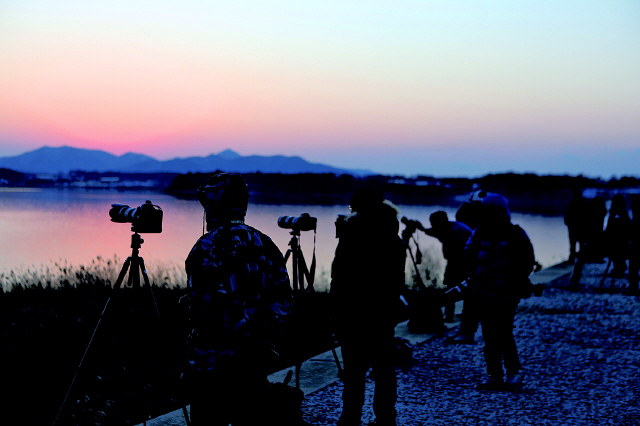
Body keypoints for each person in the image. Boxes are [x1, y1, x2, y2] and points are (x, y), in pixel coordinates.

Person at [182, 172, 294, 426]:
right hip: (254, 358)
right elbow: (282, 300)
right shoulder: (265, 242)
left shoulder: (206, 246)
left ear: (213, 205)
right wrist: (265, 337)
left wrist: (188, 306)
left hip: (212, 362)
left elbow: (202, 305)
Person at [330, 187, 406, 426]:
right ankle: (386, 418)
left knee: (354, 370)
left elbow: (339, 276)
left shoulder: (353, 235)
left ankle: (350, 418)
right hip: (384, 311)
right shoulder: (393, 236)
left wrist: (334, 311)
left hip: (354, 311)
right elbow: (396, 279)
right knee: (384, 368)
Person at [464, 194, 535, 389]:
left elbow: (528, 261)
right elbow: (468, 253)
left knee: (504, 333)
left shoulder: (516, 234)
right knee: (488, 335)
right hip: (483, 292)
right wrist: (474, 276)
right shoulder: (480, 232)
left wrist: (514, 281)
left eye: (489, 209)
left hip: (507, 294)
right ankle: (494, 375)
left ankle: (513, 372)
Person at [419, 211, 472, 323]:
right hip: (457, 260)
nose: (433, 227)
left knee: (456, 286)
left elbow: (440, 234)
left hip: (463, 261)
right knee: (456, 286)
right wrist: (422, 229)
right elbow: (437, 232)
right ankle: (460, 314)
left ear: (441, 222)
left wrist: (423, 229)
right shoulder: (449, 227)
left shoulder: (455, 231)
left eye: (434, 224)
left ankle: (456, 315)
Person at [605, 194, 631, 278]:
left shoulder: (618, 213)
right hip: (621, 240)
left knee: (617, 252)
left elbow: (610, 227)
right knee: (618, 253)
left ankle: (619, 269)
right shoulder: (623, 213)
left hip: (618, 240)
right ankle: (619, 268)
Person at [564, 189, 588, 263]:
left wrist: (568, 223)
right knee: (579, 244)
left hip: (576, 227)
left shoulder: (571, 205)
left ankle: (573, 258)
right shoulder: (584, 204)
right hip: (578, 227)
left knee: (574, 244)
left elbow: (566, 217)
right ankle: (578, 258)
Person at [627, 198, 640, 295]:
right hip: (635, 246)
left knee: (633, 268)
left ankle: (633, 288)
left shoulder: (635, 220)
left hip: (635, 247)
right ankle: (633, 287)